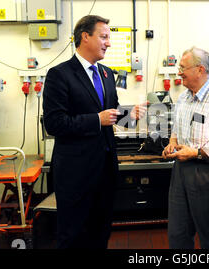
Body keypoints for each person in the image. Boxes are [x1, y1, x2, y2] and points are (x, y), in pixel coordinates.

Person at [43, 15, 146, 249]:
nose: (108, 43)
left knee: (101, 232)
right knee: (74, 235)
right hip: (75, 174)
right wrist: (96, 120)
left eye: (109, 38)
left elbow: (110, 113)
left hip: (105, 170)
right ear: (85, 36)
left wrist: (130, 115)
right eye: (104, 37)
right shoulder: (60, 74)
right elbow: (55, 123)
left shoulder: (107, 74)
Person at [162, 47, 209, 249]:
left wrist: (196, 153)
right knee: (178, 235)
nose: (179, 72)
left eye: (182, 68)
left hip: (207, 174)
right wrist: (172, 143)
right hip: (180, 172)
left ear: (200, 70)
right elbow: (176, 131)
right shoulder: (183, 98)